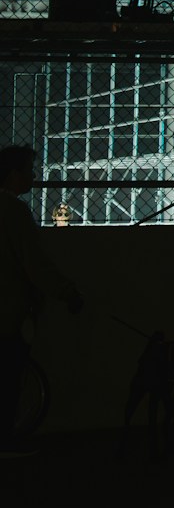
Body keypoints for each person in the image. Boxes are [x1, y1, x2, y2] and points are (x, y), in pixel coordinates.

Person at [0, 147, 83, 458]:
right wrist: (67, 292)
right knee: (9, 377)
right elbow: (35, 265)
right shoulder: (14, 212)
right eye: (28, 170)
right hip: (8, 310)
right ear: (13, 175)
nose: (33, 177)